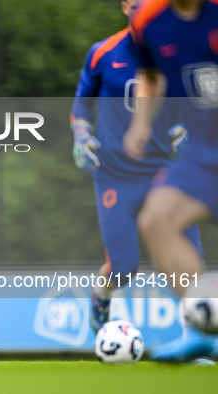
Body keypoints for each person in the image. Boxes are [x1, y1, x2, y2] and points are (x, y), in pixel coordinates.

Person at [70, 0, 202, 333]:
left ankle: (198, 336)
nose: (140, 9)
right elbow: (81, 105)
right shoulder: (103, 52)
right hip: (115, 174)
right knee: (124, 267)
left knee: (187, 257)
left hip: (166, 172)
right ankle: (101, 294)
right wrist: (81, 135)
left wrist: (187, 128)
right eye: (134, 4)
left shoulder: (174, 47)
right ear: (124, 6)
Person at [125, 0, 218, 362]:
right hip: (202, 152)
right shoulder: (147, 21)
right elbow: (150, 76)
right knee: (156, 220)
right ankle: (201, 329)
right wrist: (141, 123)